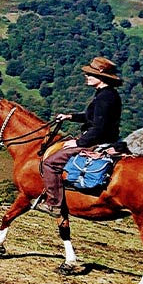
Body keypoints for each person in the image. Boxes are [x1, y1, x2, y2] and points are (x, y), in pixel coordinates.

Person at [38, 56, 125, 214]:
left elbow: (98, 128)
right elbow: (92, 116)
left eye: (90, 74)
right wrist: (69, 116)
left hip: (97, 140)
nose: (87, 76)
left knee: (50, 163)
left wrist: (79, 143)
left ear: (101, 77)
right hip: (100, 137)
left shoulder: (105, 98)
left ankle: (54, 204)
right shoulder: (106, 94)